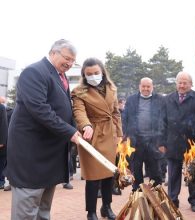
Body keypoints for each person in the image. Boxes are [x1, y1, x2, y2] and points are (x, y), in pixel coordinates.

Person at [5, 39, 81, 219]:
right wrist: (70, 132)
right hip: (32, 154)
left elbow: (63, 109)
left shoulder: (59, 76)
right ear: (53, 53)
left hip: (49, 154)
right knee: (27, 208)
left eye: (73, 61)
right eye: (67, 59)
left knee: (43, 208)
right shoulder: (34, 72)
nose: (70, 64)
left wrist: (77, 126)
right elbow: (40, 109)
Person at [71, 57, 123, 220]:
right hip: (91, 136)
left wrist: (120, 134)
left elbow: (115, 113)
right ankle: (91, 212)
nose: (93, 76)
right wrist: (86, 125)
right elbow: (79, 111)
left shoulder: (111, 88)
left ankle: (106, 207)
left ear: (102, 72)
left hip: (110, 135)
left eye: (96, 72)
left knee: (109, 174)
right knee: (93, 177)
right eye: (89, 74)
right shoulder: (79, 91)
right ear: (84, 75)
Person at [164, 72, 195, 211]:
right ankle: (173, 200)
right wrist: (161, 143)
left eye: (185, 83)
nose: (182, 85)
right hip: (173, 142)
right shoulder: (167, 99)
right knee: (173, 174)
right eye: (179, 83)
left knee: (193, 173)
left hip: (193, 143)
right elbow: (162, 122)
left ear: (191, 84)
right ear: (176, 83)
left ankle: (194, 201)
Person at [122, 77, 165, 191]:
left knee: (155, 170)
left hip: (153, 141)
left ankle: (156, 193)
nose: (146, 89)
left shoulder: (160, 100)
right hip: (136, 141)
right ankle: (138, 193)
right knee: (136, 170)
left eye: (148, 86)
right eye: (143, 86)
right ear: (139, 87)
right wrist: (125, 136)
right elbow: (124, 118)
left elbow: (165, 119)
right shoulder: (131, 100)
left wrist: (162, 140)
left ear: (152, 87)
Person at [0, 99, 7, 190]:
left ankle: (1, 181)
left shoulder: (1, 108)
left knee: (1, 162)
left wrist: (1, 141)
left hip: (1, 142)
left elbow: (3, 125)